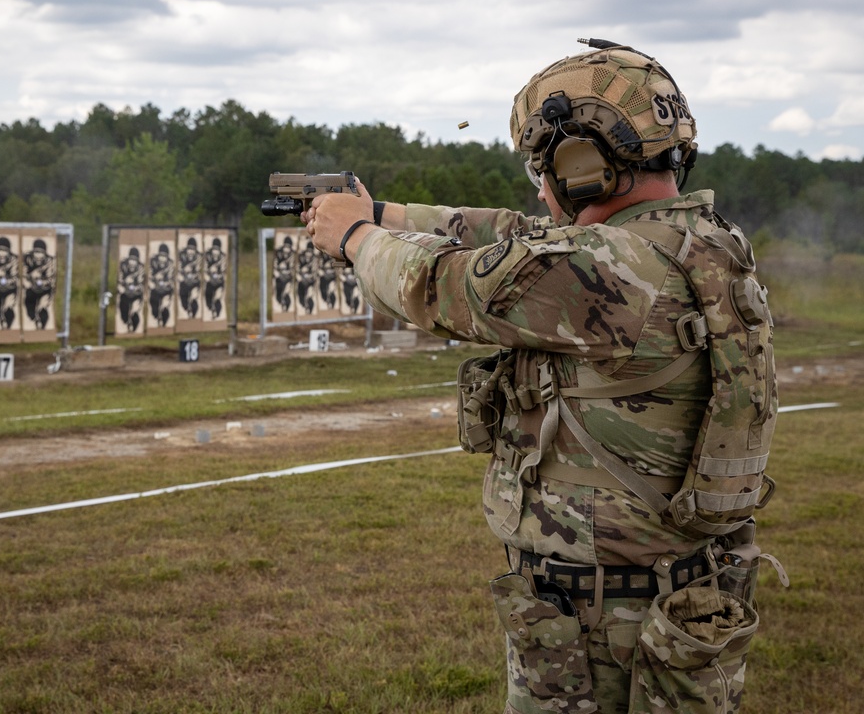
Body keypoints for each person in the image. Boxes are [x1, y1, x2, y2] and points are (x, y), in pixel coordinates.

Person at [303, 40, 780, 714]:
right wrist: (383, 215)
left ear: (581, 165)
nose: (539, 186)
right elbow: (517, 233)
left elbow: (441, 286)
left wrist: (354, 239)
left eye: (543, 166)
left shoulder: (610, 270)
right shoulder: (695, 241)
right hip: (670, 600)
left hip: (603, 626)